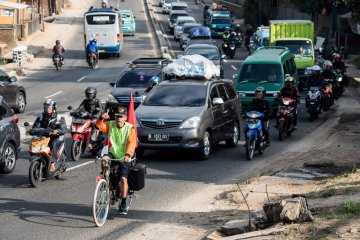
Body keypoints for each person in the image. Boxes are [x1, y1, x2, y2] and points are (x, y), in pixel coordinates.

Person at [96, 106, 137, 215]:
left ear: (125, 118)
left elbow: (132, 143)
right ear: (115, 117)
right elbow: (100, 126)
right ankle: (106, 180)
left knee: (123, 179)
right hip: (112, 153)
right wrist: (101, 118)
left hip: (124, 156)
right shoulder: (111, 124)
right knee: (104, 159)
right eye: (117, 116)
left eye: (121, 117)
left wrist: (128, 154)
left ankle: (123, 202)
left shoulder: (130, 128)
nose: (119, 119)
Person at [30, 99, 67, 173]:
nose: (48, 109)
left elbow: (64, 129)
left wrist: (58, 131)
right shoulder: (41, 117)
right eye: (46, 107)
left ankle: (52, 164)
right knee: (34, 141)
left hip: (56, 137)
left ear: (53, 108)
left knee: (53, 144)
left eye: (49, 107)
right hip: (44, 136)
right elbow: (35, 127)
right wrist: (31, 131)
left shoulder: (59, 118)